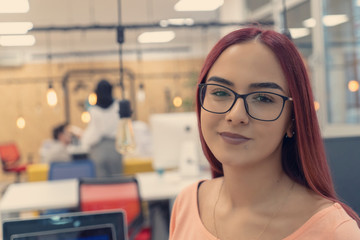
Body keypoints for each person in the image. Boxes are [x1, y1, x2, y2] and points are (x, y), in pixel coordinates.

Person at [169, 27, 360, 239]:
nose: (236, 115)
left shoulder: (334, 232)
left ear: (293, 120)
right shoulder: (188, 203)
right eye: (220, 92)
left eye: (263, 98)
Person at [81, 79, 123, 177]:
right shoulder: (118, 106)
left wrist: (85, 144)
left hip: (98, 150)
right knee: (117, 182)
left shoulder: (94, 110)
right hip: (115, 149)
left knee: (101, 184)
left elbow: (94, 133)